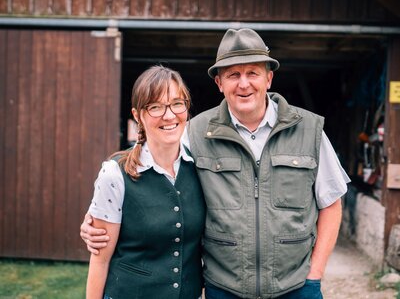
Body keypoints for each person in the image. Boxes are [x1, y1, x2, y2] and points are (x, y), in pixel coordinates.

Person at [81, 29, 350, 298]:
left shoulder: (309, 130)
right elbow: (156, 158)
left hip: (296, 288)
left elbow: (331, 203)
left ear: (269, 78)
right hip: (225, 290)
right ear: (219, 83)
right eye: (233, 75)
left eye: (252, 73)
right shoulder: (195, 132)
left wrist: (315, 274)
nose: (243, 84)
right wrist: (98, 219)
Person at [85, 65, 205, 299]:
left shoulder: (200, 167)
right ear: (138, 115)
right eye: (156, 107)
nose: (169, 115)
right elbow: (99, 261)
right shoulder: (114, 174)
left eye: (177, 103)